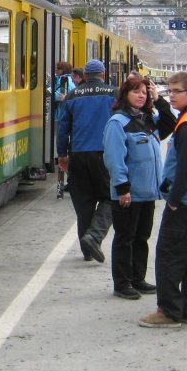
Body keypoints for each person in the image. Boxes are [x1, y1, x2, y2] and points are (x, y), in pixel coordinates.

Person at [139, 71, 187, 328]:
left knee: (169, 254)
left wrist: (174, 199)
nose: (170, 96)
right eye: (169, 91)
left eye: (176, 92)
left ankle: (169, 311)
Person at [103, 75, 164, 299]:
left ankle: (138, 278)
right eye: (136, 91)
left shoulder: (148, 119)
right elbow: (114, 158)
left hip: (148, 192)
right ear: (125, 95)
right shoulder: (118, 122)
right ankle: (122, 283)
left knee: (141, 238)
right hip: (128, 193)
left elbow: (172, 122)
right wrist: (122, 188)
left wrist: (158, 101)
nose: (141, 96)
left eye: (144, 92)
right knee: (125, 238)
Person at [57, 59, 116, 263]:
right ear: (103, 73)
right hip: (104, 154)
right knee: (111, 197)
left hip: (78, 155)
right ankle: (94, 236)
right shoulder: (112, 94)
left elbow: (63, 127)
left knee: (84, 203)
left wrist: (62, 154)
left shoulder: (73, 95)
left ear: (85, 75)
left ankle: (87, 250)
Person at [54, 61, 76, 198]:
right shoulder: (66, 80)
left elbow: (60, 96)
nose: (56, 70)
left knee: (64, 153)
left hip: (61, 116)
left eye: (58, 68)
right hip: (62, 116)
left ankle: (70, 181)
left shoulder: (64, 80)